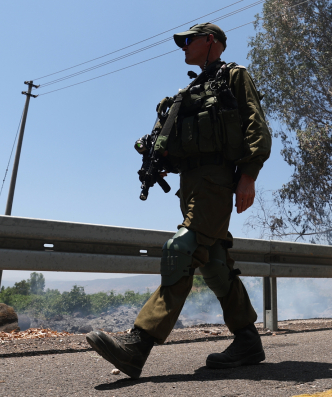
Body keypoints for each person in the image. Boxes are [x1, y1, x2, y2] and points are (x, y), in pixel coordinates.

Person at [86, 22, 271, 378]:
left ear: (210, 41)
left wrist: (248, 173)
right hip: (192, 183)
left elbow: (256, 124)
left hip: (217, 179)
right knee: (214, 260)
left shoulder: (234, 76)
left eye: (189, 40)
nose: (183, 46)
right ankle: (248, 340)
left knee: (182, 248)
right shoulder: (191, 89)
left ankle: (137, 345)